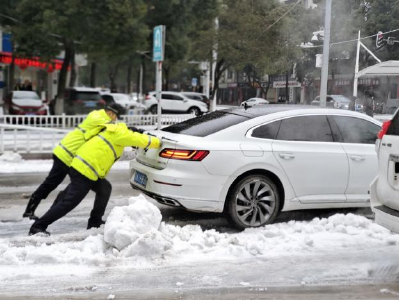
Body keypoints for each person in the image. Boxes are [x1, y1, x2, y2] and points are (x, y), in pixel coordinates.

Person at [29, 123, 162, 236]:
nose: (132, 145)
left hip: (85, 169)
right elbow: (141, 140)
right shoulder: (122, 133)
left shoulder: (113, 133)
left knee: (104, 188)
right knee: (69, 202)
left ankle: (95, 221)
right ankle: (38, 226)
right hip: (84, 170)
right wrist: (158, 141)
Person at [22, 103, 125, 220]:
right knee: (51, 184)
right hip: (65, 154)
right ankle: (29, 211)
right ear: (111, 113)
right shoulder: (96, 116)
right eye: (116, 117)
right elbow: (111, 127)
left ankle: (51, 212)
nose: (115, 120)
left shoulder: (102, 119)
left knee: (71, 188)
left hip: (74, 159)